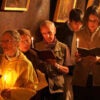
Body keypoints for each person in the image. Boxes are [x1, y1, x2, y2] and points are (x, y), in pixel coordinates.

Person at [35, 20, 72, 100]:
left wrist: (56, 65)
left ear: (54, 30)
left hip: (57, 87)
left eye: (49, 32)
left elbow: (67, 70)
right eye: (44, 34)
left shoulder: (63, 47)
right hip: (42, 86)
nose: (47, 36)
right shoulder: (37, 46)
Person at [71, 5, 100, 100]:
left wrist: (98, 59)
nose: (92, 23)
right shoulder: (78, 33)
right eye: (90, 20)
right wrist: (77, 58)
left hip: (98, 78)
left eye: (95, 20)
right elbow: (72, 57)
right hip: (81, 78)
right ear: (86, 20)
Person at [0, 30, 38, 100]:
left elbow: (31, 91)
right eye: (2, 41)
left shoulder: (26, 64)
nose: (4, 45)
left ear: (17, 43)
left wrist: (13, 92)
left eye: (7, 41)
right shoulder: (1, 60)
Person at [18, 28, 48, 100]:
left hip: (34, 87)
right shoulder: (15, 55)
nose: (25, 43)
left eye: (27, 40)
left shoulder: (33, 54)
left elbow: (39, 68)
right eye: (22, 41)